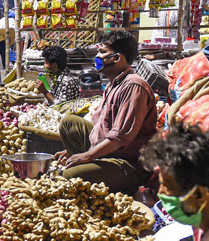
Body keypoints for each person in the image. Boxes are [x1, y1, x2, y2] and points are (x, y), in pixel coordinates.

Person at [56, 30, 157, 194]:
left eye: (102, 52)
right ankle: (90, 165)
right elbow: (101, 127)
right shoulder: (113, 84)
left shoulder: (133, 86)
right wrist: (72, 151)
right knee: (69, 123)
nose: (97, 56)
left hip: (128, 163)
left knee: (69, 175)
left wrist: (87, 155)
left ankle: (120, 181)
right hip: (110, 151)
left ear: (117, 58)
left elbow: (119, 137)